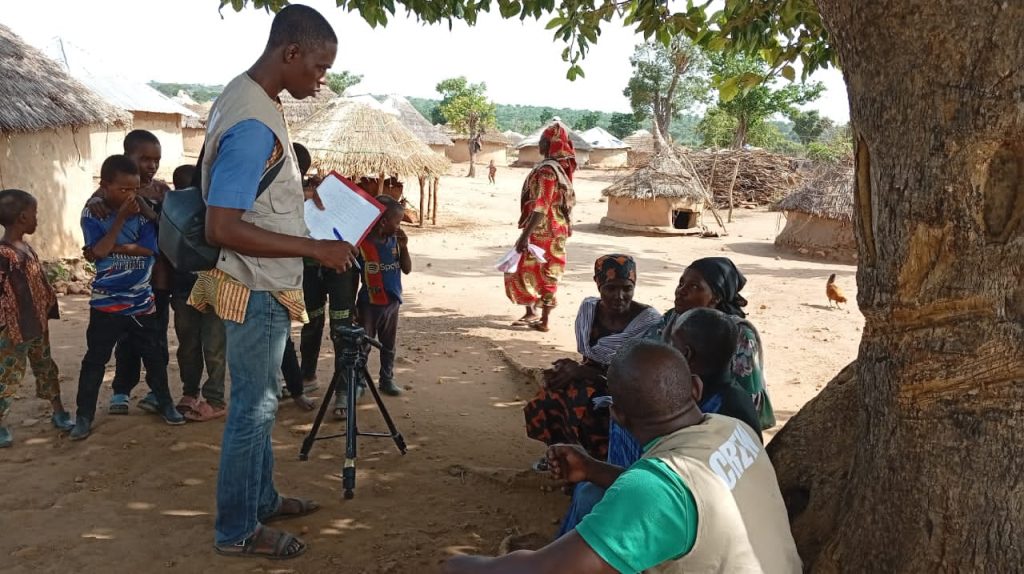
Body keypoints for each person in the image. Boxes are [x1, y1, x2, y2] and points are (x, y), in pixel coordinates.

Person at [188, 5, 356, 560]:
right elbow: (222, 226)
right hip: (256, 287)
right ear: (291, 53)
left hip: (262, 282)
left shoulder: (249, 98)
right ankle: (237, 529)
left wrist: (301, 195)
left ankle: (261, 498)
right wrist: (316, 247)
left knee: (259, 407)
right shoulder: (253, 126)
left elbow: (252, 198)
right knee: (253, 410)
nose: (322, 79)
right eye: (319, 67)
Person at [443, 341, 802, 574]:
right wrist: (592, 469)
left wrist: (458, 565)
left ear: (617, 416)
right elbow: (686, 501)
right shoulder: (731, 428)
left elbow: (543, 570)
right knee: (591, 494)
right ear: (695, 388)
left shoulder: (657, 489)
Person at [557, 307, 762, 536]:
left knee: (590, 495)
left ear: (686, 355)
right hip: (685, 501)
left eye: (671, 342)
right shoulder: (731, 404)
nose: (665, 344)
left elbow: (671, 492)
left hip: (699, 524)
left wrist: (592, 470)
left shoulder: (722, 415)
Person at [70, 155, 186, 441]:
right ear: (104, 186)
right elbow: (98, 251)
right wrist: (120, 220)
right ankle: (83, 416)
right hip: (106, 303)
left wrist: (110, 246)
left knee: (154, 357)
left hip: (142, 302)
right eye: (123, 189)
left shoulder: (143, 215)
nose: (130, 196)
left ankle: (166, 404)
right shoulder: (92, 214)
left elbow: (147, 250)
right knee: (95, 360)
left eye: (134, 190)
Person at [523, 255, 661, 461]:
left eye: (627, 288)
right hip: (591, 378)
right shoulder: (589, 309)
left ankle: (593, 465)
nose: (619, 296)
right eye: (610, 288)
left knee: (591, 409)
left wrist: (584, 373)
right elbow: (589, 358)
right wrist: (566, 370)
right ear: (598, 284)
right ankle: (562, 453)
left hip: (628, 389)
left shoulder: (649, 322)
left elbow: (643, 376)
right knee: (549, 396)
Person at [83, 130, 173, 415]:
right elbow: (96, 235)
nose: (151, 165)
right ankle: (121, 390)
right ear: (127, 157)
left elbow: (169, 229)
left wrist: (147, 211)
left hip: (158, 279)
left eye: (156, 160)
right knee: (125, 342)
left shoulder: (161, 192)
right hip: (121, 285)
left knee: (155, 341)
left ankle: (158, 394)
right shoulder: (102, 198)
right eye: (144, 158)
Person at [653, 257, 776, 430]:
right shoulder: (671, 319)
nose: (681, 291)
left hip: (724, 421)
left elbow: (749, 399)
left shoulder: (739, 335)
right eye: (681, 283)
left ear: (715, 298)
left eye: (694, 287)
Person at [0, 189, 76, 448]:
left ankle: (59, 411)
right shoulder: (4, 254)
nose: (37, 219)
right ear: (22, 217)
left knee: (46, 367)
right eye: (35, 213)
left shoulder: (26, 248)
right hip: (13, 330)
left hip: (37, 324)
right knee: (8, 374)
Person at [334, 195, 410, 418]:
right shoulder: (363, 245)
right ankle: (359, 383)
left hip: (392, 303)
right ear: (384, 221)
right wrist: (352, 305)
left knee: (389, 345)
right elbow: (353, 277)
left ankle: (387, 379)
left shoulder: (396, 241)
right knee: (363, 346)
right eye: (397, 222)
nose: (399, 226)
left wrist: (404, 247)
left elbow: (407, 269)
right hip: (370, 304)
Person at [167, 164, 227, 422]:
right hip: (184, 290)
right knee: (188, 345)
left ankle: (215, 398)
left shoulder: (216, 213)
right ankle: (190, 392)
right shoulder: (170, 214)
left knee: (214, 345)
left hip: (214, 288)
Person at [505, 122, 576, 332]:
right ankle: (538, 315)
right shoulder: (560, 169)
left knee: (520, 268)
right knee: (548, 271)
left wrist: (524, 236)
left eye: (543, 141)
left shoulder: (547, 170)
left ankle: (538, 315)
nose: (540, 145)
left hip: (542, 230)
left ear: (550, 144)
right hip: (557, 228)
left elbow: (541, 206)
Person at [280, 142, 325, 411]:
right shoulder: (288, 195)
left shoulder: (306, 195)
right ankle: (294, 387)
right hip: (279, 275)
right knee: (280, 335)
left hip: (291, 275)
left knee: (282, 335)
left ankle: (297, 385)